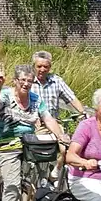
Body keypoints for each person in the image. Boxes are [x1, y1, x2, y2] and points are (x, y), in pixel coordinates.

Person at [0, 64, 69, 201]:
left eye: (29, 81)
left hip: (30, 143)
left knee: (41, 181)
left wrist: (60, 136)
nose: (26, 84)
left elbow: (48, 119)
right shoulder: (7, 95)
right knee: (13, 183)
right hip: (7, 145)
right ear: (15, 81)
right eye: (22, 80)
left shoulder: (35, 98)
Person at [31, 50, 87, 181]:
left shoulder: (56, 81)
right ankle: (40, 177)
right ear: (34, 66)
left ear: (50, 67)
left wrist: (82, 112)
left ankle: (55, 172)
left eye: (46, 66)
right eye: (39, 66)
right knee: (41, 151)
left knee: (66, 148)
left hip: (55, 122)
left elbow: (71, 97)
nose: (42, 69)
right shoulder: (28, 82)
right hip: (36, 123)